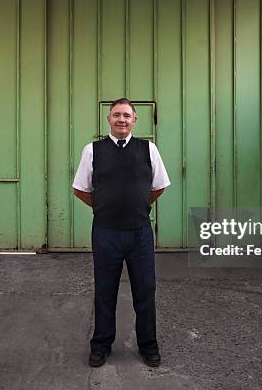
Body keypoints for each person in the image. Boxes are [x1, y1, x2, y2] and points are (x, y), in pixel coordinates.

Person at [72, 98, 170, 368]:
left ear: (135, 120)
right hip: (105, 233)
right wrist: (103, 207)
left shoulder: (148, 149)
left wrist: (139, 204)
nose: (122, 120)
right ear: (108, 119)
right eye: (116, 115)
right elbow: (80, 189)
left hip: (139, 233)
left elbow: (160, 185)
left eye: (127, 115)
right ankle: (101, 345)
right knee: (105, 291)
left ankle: (148, 346)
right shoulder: (92, 151)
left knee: (145, 291)